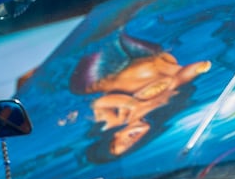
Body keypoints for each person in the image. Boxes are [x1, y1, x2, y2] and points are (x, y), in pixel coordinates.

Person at [70, 34, 211, 159]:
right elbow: (179, 81)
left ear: (113, 136)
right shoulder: (167, 113)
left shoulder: (116, 120)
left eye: (113, 145)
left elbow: (99, 104)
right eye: (132, 146)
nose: (128, 143)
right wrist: (194, 71)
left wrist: (133, 104)